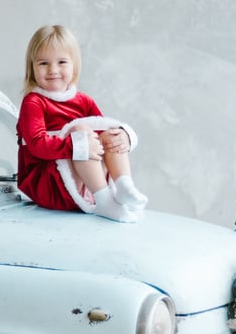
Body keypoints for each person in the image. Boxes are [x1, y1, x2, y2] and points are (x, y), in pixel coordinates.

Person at [16, 25, 147, 222]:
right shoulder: (33, 102)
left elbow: (103, 139)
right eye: (43, 63)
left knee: (111, 132)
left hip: (83, 183)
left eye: (61, 62)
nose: (53, 70)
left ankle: (123, 186)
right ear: (32, 67)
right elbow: (36, 145)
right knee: (82, 131)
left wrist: (124, 136)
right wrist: (76, 144)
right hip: (47, 185)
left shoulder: (84, 101)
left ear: (74, 66)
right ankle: (104, 201)